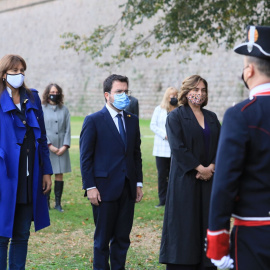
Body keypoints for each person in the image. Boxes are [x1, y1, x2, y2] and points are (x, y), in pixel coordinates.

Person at [206, 25, 270, 270]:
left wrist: (217, 244)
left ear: (249, 70)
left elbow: (224, 183)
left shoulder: (240, 115)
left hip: (255, 236)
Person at [80, 74, 143, 269]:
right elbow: (86, 158)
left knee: (122, 239)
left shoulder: (132, 120)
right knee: (102, 241)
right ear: (107, 95)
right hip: (103, 189)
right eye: (119, 91)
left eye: (126, 91)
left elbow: (136, 154)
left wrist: (138, 183)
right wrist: (90, 186)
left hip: (127, 188)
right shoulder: (93, 120)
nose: (124, 95)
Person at [159, 75, 221, 270]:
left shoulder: (211, 117)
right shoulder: (175, 116)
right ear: (186, 92)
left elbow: (221, 145)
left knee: (206, 224)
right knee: (185, 225)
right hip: (186, 180)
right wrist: (199, 168)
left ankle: (207, 262)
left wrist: (211, 166)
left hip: (209, 180)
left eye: (202, 90)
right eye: (195, 90)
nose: (199, 94)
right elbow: (178, 148)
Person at [0, 54, 52, 269]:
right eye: (14, 71)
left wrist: (47, 171)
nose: (19, 75)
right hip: (4, 174)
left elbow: (43, 138)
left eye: (22, 71)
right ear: (4, 75)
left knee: (22, 233)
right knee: (2, 235)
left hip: (29, 175)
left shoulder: (33, 97)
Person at [42, 83, 71, 212]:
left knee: (59, 174)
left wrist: (65, 146)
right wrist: (49, 145)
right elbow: (41, 129)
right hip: (47, 147)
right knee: (46, 173)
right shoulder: (42, 108)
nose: (54, 94)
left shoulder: (64, 109)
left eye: (56, 92)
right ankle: (46, 203)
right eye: (52, 92)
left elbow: (68, 129)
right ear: (47, 93)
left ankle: (58, 203)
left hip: (61, 147)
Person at [150, 87, 178, 208]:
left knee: (174, 175)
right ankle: (163, 200)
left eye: (176, 95)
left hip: (175, 148)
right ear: (167, 96)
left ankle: (174, 199)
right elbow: (153, 125)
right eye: (172, 96)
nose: (174, 98)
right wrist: (165, 134)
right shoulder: (159, 109)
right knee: (162, 175)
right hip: (161, 147)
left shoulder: (180, 109)